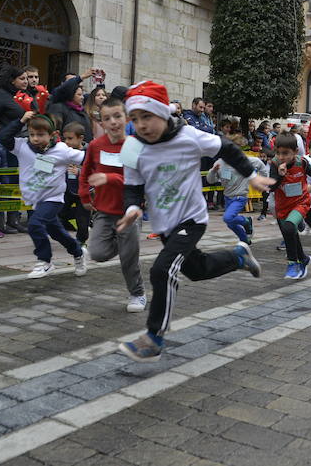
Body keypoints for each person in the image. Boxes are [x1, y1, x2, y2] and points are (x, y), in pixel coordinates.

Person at [114, 82, 271, 362]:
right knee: (196, 270)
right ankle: (238, 257)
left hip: (191, 219)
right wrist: (132, 208)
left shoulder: (188, 136)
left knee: (162, 270)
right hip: (164, 223)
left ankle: (154, 337)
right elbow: (132, 186)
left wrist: (251, 175)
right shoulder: (131, 147)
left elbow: (226, 148)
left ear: (163, 114)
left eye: (147, 117)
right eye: (135, 119)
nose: (141, 125)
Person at [0, 111, 86, 279]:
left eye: (40, 135)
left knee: (34, 224)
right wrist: (21, 120)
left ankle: (45, 261)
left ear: (53, 135)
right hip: (34, 200)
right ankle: (78, 252)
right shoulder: (22, 146)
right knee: (56, 232)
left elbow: (87, 158)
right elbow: (3, 137)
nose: (35, 138)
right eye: (32, 134)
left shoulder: (63, 151)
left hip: (53, 199)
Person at [79, 97, 146, 312]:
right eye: (108, 118)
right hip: (104, 212)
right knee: (96, 253)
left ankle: (137, 294)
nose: (114, 122)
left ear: (126, 118)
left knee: (129, 260)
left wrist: (109, 178)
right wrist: (84, 197)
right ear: (102, 122)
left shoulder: (134, 145)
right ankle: (125, 244)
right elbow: (85, 171)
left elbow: (137, 180)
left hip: (128, 213)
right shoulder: (96, 145)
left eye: (118, 116)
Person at [268, 132, 311, 279]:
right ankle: (303, 259)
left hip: (301, 202)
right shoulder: (274, 164)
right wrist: (279, 175)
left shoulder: (302, 162)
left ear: (295, 152)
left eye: (285, 153)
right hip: (282, 206)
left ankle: (293, 263)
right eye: (278, 153)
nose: (281, 157)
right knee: (288, 233)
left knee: (289, 226)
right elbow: (272, 188)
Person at [0, 65, 35, 233]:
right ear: (12, 80)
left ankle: (13, 219)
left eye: (27, 78)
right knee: (2, 184)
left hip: (12, 147)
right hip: (0, 147)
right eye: (22, 78)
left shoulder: (15, 96)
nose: (26, 81)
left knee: (12, 183)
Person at [207, 133, 267, 244]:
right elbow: (210, 180)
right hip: (228, 197)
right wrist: (213, 171)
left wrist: (262, 181)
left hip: (240, 196)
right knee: (231, 223)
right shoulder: (219, 163)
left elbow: (262, 166)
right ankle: (245, 241)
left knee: (227, 218)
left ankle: (247, 221)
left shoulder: (246, 160)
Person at [60, 122, 90, 247]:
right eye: (65, 138)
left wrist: (80, 171)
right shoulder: (63, 151)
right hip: (66, 189)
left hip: (83, 191)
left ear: (81, 138)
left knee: (82, 220)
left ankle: (81, 241)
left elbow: (96, 169)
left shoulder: (89, 151)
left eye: (70, 138)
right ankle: (64, 234)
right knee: (59, 214)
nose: (66, 141)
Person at [47, 73, 94, 141]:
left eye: (82, 94)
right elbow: (54, 131)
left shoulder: (82, 110)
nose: (82, 97)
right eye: (79, 95)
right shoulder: (58, 107)